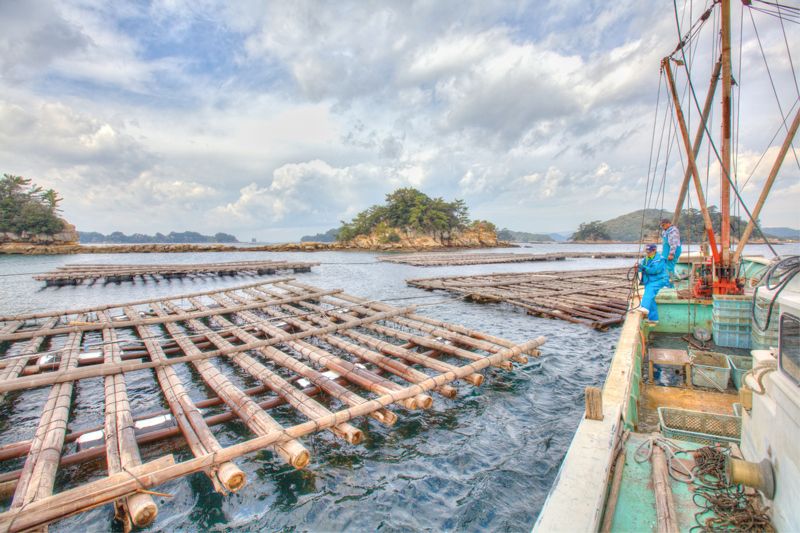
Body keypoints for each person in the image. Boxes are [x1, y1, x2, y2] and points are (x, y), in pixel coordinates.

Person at [638, 243, 670, 322]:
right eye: (647, 251)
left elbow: (655, 270)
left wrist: (643, 268)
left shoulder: (660, 259)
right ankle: (654, 319)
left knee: (649, 290)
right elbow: (641, 268)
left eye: (649, 251)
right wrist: (638, 268)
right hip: (650, 280)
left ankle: (644, 307)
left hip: (660, 279)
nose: (648, 253)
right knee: (651, 298)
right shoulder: (645, 259)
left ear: (654, 250)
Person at [660, 218, 681, 284]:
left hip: (673, 250)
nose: (662, 227)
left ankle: (670, 283)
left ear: (668, 224)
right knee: (664, 265)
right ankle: (677, 278)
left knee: (669, 267)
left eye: (663, 225)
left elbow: (674, 243)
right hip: (665, 251)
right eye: (661, 226)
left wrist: (671, 254)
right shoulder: (665, 231)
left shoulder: (673, 231)